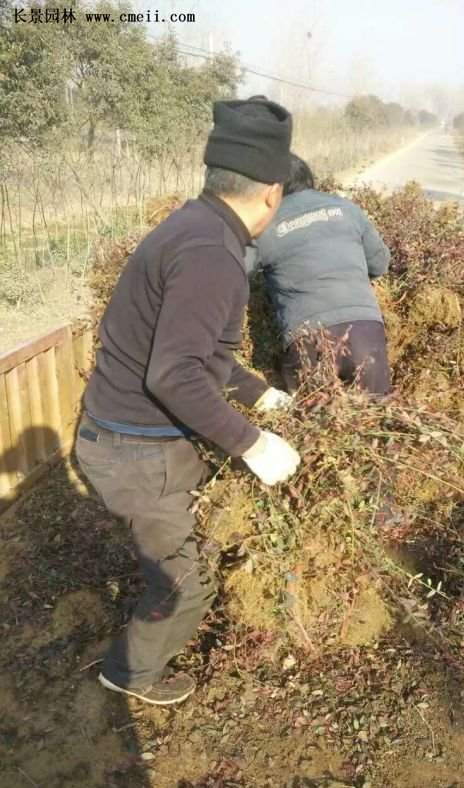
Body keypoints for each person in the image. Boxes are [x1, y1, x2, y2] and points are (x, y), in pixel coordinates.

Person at [75, 96, 300, 706]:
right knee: (185, 587)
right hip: (134, 452)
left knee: (178, 562)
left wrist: (262, 395)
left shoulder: (192, 226)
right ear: (274, 192)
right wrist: (252, 443)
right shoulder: (211, 256)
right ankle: (129, 675)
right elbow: (175, 375)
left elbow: (201, 356)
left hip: (131, 441)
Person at [248, 154, 392, 395]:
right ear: (309, 179)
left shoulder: (262, 226)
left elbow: (233, 276)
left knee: (315, 427)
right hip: (366, 335)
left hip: (307, 344)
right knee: (377, 417)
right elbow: (380, 264)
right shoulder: (347, 209)